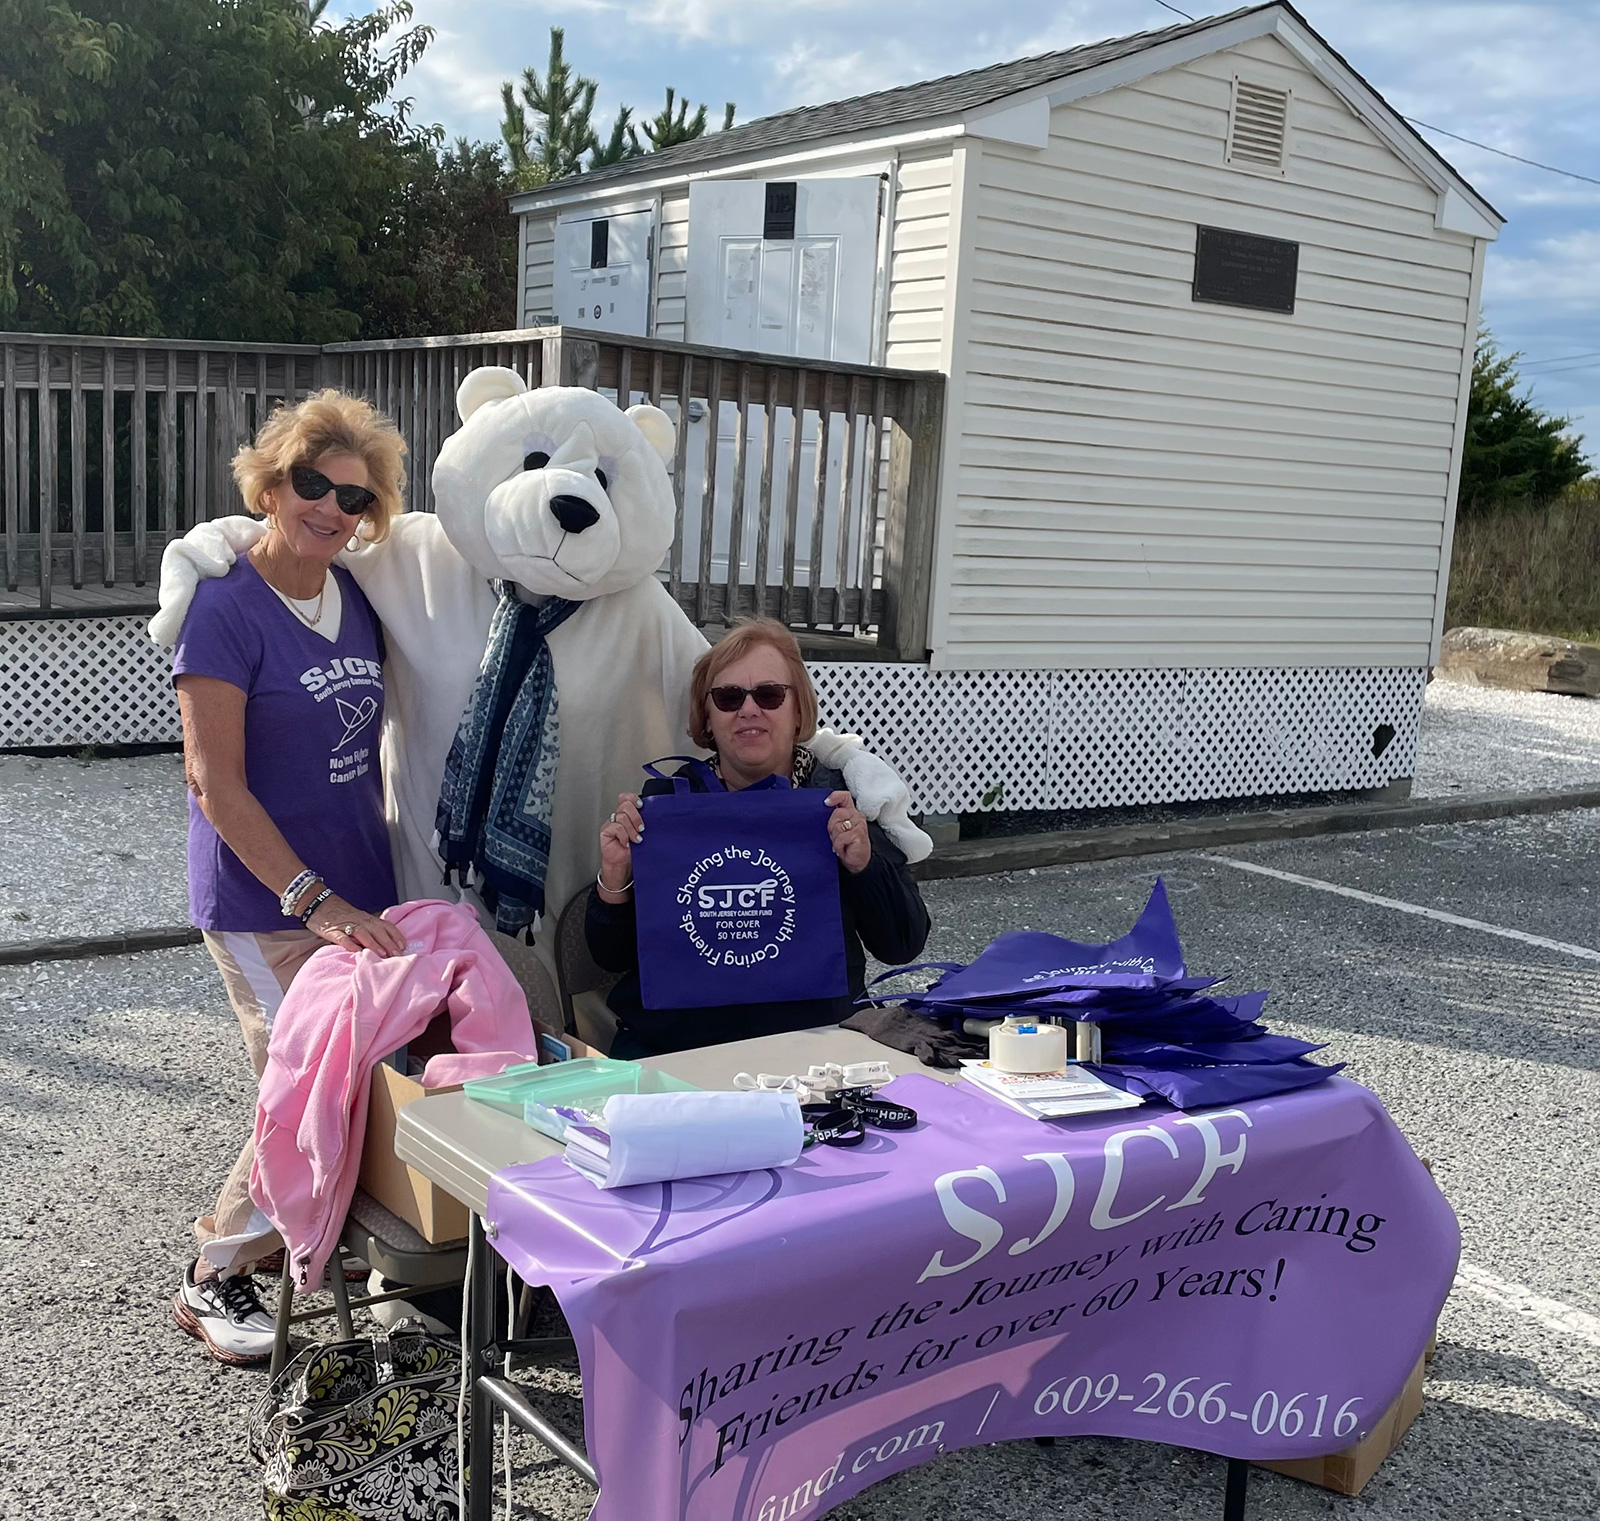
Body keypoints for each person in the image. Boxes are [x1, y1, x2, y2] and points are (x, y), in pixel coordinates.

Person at [169, 390, 409, 1365]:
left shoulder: (358, 595)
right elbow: (211, 780)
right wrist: (315, 898)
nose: (330, 509)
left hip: (355, 891)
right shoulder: (225, 609)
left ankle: (304, 1238)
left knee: (352, 1081)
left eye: (353, 498)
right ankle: (213, 1273)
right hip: (262, 902)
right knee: (298, 1090)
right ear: (272, 483)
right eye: (313, 484)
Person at [585, 618, 931, 1057]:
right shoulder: (665, 804)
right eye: (728, 697)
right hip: (678, 1051)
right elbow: (609, 958)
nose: (749, 710)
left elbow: (904, 944)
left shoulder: (838, 802)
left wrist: (863, 866)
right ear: (707, 717)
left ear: (799, 710)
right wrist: (615, 878)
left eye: (769, 694)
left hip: (813, 1053)